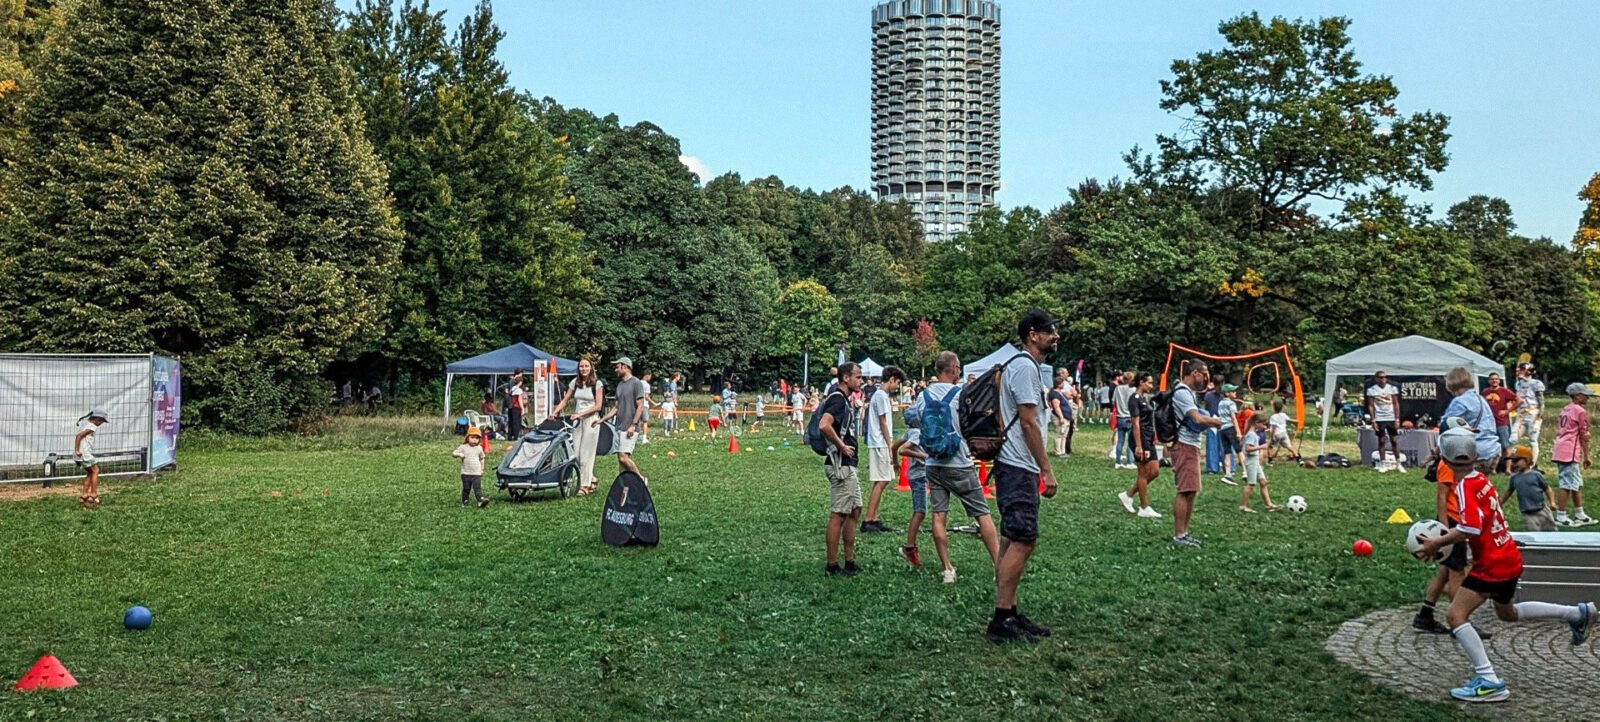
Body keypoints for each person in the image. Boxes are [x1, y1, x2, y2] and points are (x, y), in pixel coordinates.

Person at [1411, 425, 1597, 704]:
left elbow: (1470, 528)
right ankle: (1576, 613)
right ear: (1474, 456)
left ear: (1444, 461)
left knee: (1454, 616)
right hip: (1508, 556)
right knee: (1507, 613)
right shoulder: (1481, 479)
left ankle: (1488, 681)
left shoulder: (1462, 488)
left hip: (1493, 566)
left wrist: (1437, 543)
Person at [986, 310, 1059, 644]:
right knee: (1024, 539)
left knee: (1012, 537)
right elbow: (1029, 422)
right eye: (1050, 331)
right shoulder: (1025, 367)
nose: (1055, 336)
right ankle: (1002, 618)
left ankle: (1011, 611)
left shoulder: (1018, 366)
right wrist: (1046, 468)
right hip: (1019, 465)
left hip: (1012, 464)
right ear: (1033, 335)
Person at [919, 351, 1002, 585]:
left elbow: (916, 420)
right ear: (954, 368)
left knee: (938, 516)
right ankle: (999, 565)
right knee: (982, 514)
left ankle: (947, 569)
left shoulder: (923, 395)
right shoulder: (962, 393)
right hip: (960, 462)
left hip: (933, 463)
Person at [1172, 360, 1224, 547]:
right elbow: (1196, 418)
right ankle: (1179, 535)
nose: (1206, 379)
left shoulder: (1188, 392)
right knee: (1184, 490)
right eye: (1205, 374)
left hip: (1190, 444)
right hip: (1184, 444)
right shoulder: (1183, 393)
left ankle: (1184, 533)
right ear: (1195, 373)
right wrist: (1215, 422)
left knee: (1191, 490)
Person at [819, 363, 863, 577]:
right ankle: (832, 565)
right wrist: (841, 446)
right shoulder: (837, 399)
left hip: (848, 465)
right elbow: (824, 425)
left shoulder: (844, 400)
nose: (860, 381)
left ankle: (849, 560)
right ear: (846, 378)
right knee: (838, 514)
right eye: (858, 377)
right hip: (840, 464)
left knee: (854, 510)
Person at [548, 357, 606, 495]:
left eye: (586, 366)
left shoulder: (597, 384)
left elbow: (598, 406)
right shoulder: (575, 383)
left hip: (591, 420)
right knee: (577, 454)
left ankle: (584, 486)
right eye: (581, 366)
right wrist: (554, 412)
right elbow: (565, 400)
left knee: (587, 454)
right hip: (577, 420)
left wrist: (581, 414)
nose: (584, 369)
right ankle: (591, 478)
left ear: (591, 367)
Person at [862, 366, 906, 533]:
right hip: (880, 443)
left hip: (880, 442)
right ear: (891, 379)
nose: (897, 386)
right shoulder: (880, 396)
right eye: (897, 383)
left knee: (882, 480)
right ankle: (868, 520)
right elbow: (883, 422)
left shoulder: (881, 396)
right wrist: (890, 445)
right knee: (882, 481)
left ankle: (874, 517)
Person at [1118, 373, 1162, 519]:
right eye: (1149, 383)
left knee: (1154, 471)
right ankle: (1144, 507)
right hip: (1140, 439)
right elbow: (1136, 423)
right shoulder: (1134, 400)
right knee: (1143, 473)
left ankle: (1128, 494)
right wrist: (1138, 446)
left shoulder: (1145, 399)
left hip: (1149, 438)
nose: (1151, 385)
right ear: (1141, 383)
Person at [1441, 366, 1500, 474]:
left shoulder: (1459, 401)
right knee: (1478, 487)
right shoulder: (1481, 399)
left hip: (1475, 452)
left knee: (1460, 486)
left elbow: (1447, 426)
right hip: (1492, 450)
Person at [1552, 382, 1595, 527]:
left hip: (1561, 448)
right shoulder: (1580, 411)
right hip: (1569, 451)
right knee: (1567, 484)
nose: (1588, 397)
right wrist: (1587, 456)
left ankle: (1579, 513)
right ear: (1577, 396)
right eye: (1585, 395)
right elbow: (1584, 435)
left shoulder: (1566, 409)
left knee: (1576, 483)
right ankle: (1561, 516)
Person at [893, 406, 929, 569]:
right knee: (920, 511)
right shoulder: (917, 433)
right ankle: (909, 546)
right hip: (919, 475)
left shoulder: (911, 432)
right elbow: (903, 450)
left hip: (917, 475)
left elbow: (894, 447)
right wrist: (923, 456)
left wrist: (895, 463)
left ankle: (910, 546)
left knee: (922, 510)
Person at [605, 358, 647, 480]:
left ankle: (641, 479)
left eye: (617, 367)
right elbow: (616, 408)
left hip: (630, 427)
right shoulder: (620, 385)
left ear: (625, 366)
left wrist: (633, 425)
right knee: (621, 460)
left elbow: (640, 406)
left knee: (623, 457)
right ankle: (624, 486)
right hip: (619, 426)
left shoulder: (636, 383)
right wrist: (602, 420)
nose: (615, 369)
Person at [1501, 446, 1556, 531]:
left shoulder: (1536, 475)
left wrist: (1552, 502)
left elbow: (1547, 488)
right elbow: (1508, 492)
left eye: (1515, 461)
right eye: (1512, 461)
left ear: (1527, 460)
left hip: (1543, 510)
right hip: (1528, 514)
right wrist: (1500, 503)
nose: (1513, 464)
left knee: (1551, 532)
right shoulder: (1514, 478)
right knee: (1534, 535)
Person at [1239, 416, 1281, 512]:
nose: (1265, 426)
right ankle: (1243, 506)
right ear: (1257, 423)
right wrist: (1261, 447)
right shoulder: (1251, 435)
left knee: (1263, 482)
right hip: (1251, 461)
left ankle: (1268, 504)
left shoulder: (1254, 434)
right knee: (1251, 484)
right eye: (1263, 424)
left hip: (1255, 461)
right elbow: (1248, 448)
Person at [1481, 372, 1520, 473]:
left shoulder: (1504, 391)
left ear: (1499, 380)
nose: (1494, 381)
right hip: (1489, 423)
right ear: (1489, 381)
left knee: (1506, 446)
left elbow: (1519, 400)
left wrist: (1507, 411)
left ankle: (1507, 469)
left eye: (1496, 379)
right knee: (1492, 445)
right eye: (1492, 379)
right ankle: (1493, 468)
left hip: (1502, 422)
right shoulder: (1485, 392)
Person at [1366, 371, 1401, 472]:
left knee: (1394, 440)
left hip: (1391, 417)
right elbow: (1371, 405)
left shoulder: (1392, 388)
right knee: (1381, 441)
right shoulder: (1372, 390)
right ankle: (1382, 463)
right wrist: (1373, 420)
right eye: (1381, 377)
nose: (1383, 379)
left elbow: (1395, 403)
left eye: (1385, 377)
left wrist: (1397, 418)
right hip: (1379, 418)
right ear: (1376, 378)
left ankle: (1398, 462)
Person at [73, 409, 108, 507]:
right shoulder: (92, 426)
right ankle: (93, 493)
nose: (101, 424)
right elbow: (79, 436)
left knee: (90, 472)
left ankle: (84, 494)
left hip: (82, 454)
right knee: (96, 470)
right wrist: (77, 450)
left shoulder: (87, 425)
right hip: (84, 454)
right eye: (101, 421)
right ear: (96, 419)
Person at [1510, 363, 1546, 458]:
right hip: (1521, 413)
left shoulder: (1536, 383)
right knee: (1513, 438)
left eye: (1522, 369)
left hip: (1533, 413)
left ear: (1529, 371)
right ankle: (1512, 461)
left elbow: (1541, 401)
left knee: (1533, 440)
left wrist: (1540, 415)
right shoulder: (1518, 383)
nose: (1519, 371)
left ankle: (1531, 464)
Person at [452, 427, 490, 508]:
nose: (474, 440)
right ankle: (465, 501)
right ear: (467, 437)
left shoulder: (479, 448)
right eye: (472, 437)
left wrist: (482, 469)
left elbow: (482, 458)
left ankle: (480, 500)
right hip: (466, 473)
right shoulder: (463, 447)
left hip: (476, 473)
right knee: (466, 488)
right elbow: (454, 453)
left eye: (476, 438)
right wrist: (459, 454)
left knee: (477, 487)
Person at [1216, 385, 1243, 485]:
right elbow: (1233, 418)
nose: (1235, 392)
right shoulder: (1231, 403)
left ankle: (1227, 474)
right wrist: (1238, 431)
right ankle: (1245, 472)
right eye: (1233, 391)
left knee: (1227, 452)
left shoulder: (1220, 403)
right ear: (1227, 393)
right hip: (1230, 428)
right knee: (1239, 450)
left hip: (1222, 429)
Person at [1112, 370, 1137, 469]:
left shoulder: (1117, 388)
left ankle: (1118, 462)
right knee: (1130, 441)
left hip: (1120, 417)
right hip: (1130, 417)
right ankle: (1130, 462)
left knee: (1120, 441)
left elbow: (1113, 401)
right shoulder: (1133, 389)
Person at [1048, 376, 1071, 458]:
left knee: (1064, 435)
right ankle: (1058, 451)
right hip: (1060, 417)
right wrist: (1061, 417)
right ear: (1058, 384)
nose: (1064, 384)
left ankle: (1063, 451)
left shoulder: (1061, 392)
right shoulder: (1055, 394)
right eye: (1062, 383)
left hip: (1066, 416)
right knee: (1059, 434)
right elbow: (1056, 406)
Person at [506, 375, 526, 440]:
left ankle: (510, 436)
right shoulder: (519, 390)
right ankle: (515, 436)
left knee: (511, 422)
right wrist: (522, 409)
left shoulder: (512, 389)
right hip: (516, 407)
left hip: (511, 407)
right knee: (516, 422)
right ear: (520, 382)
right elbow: (519, 400)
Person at [638, 373, 654, 445]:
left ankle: (635, 437)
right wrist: (653, 403)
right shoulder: (647, 385)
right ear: (647, 375)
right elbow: (646, 396)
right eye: (650, 376)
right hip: (644, 405)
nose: (650, 378)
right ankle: (644, 439)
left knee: (636, 421)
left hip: (637, 405)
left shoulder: (637, 383)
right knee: (645, 422)